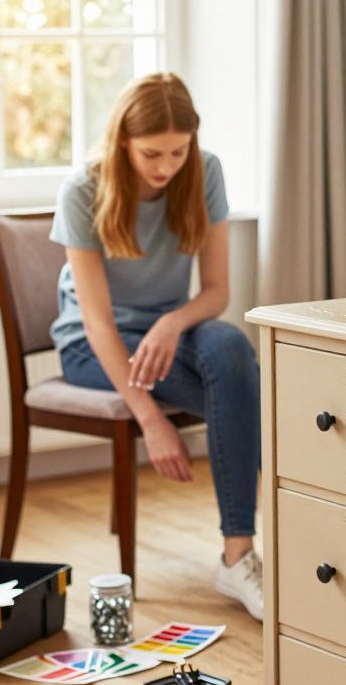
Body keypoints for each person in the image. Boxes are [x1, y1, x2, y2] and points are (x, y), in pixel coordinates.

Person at [49, 72, 263, 620]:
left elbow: (216, 293)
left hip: (171, 329)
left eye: (177, 150)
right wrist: (151, 419)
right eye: (152, 153)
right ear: (123, 139)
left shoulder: (204, 171)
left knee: (232, 349)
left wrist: (172, 323)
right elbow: (96, 324)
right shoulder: (83, 190)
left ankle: (238, 553)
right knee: (240, 388)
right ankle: (249, 553)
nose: (166, 166)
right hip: (92, 347)